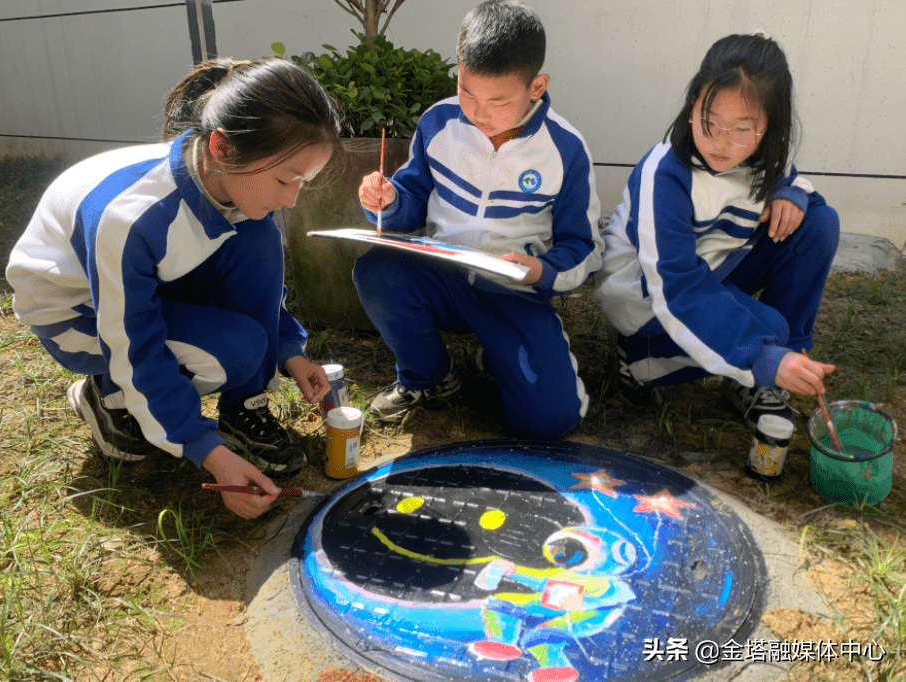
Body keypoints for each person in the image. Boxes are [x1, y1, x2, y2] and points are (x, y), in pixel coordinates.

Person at [6, 58, 340, 518]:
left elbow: (257, 285)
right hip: (79, 317)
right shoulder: (129, 218)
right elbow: (132, 344)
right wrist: (206, 449)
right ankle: (108, 396)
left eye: (304, 181)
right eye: (286, 179)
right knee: (237, 349)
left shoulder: (227, 181)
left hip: (147, 288)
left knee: (257, 238)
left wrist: (289, 349)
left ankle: (244, 408)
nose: (292, 198)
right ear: (223, 148)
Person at [353, 0, 604, 438]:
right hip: (442, 276)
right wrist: (387, 200)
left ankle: (499, 351)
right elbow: (412, 197)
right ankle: (428, 377)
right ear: (459, 69)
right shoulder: (439, 122)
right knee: (377, 269)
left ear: (537, 87)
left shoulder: (565, 149)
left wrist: (543, 271)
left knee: (550, 421)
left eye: (498, 101)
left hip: (513, 292)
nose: (478, 111)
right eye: (466, 91)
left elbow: (583, 247)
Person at [593, 32, 840, 429]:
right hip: (648, 293)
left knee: (817, 221)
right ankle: (639, 359)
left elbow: (790, 180)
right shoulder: (666, 174)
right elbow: (677, 288)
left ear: (769, 126)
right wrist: (761, 354)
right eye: (709, 122)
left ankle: (778, 368)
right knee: (767, 332)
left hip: (716, 264)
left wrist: (790, 191)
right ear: (693, 106)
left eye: (742, 129)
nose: (720, 143)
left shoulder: (763, 151)